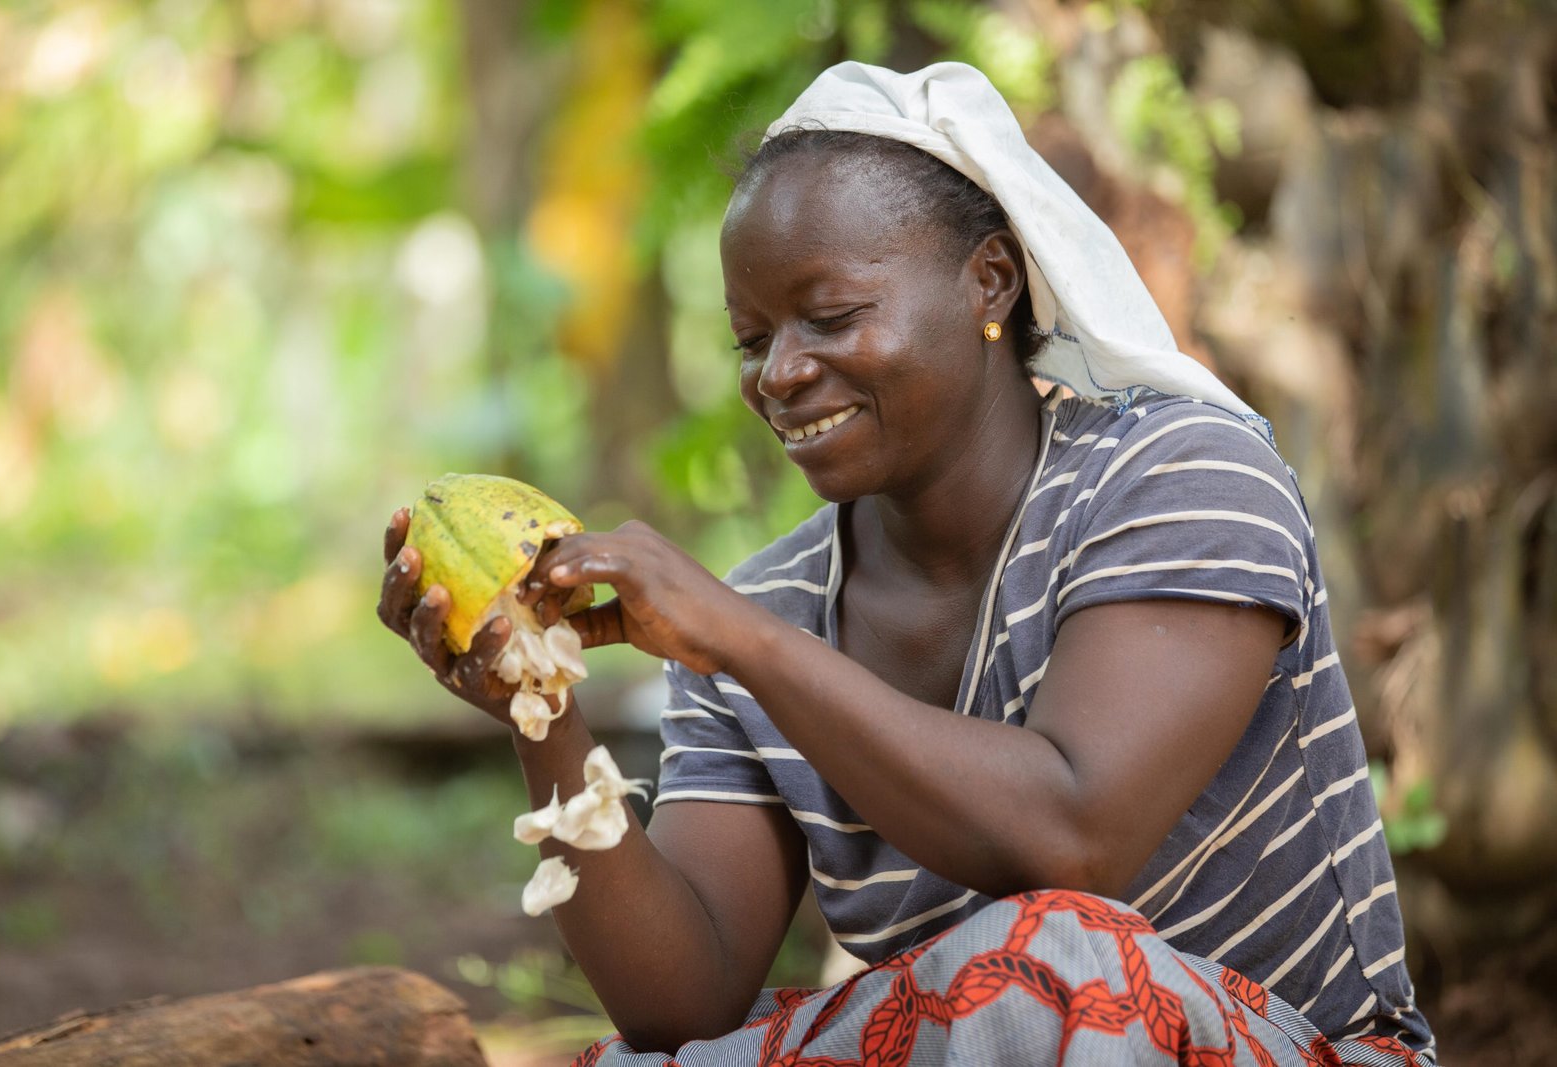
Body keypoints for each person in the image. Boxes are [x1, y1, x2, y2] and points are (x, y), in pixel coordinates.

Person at [377, 62, 1435, 1065]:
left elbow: (1074, 841)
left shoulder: (1180, 474)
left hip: (1287, 1046)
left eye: (831, 317)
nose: (779, 372)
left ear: (990, 281)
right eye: (751, 339)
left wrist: (745, 642)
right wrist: (544, 711)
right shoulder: (768, 606)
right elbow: (680, 1004)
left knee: (1049, 959)